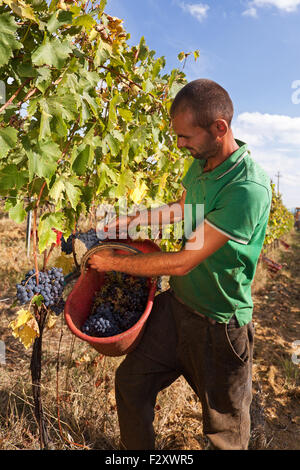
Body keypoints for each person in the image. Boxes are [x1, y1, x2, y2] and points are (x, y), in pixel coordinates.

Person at [88, 79, 272, 450]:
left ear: (219, 128)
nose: (180, 145)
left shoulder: (247, 188)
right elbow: (181, 209)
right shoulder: (202, 163)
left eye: (185, 137)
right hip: (178, 310)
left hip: (220, 328)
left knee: (225, 437)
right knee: (131, 383)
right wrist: (127, 222)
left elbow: (185, 260)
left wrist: (113, 263)